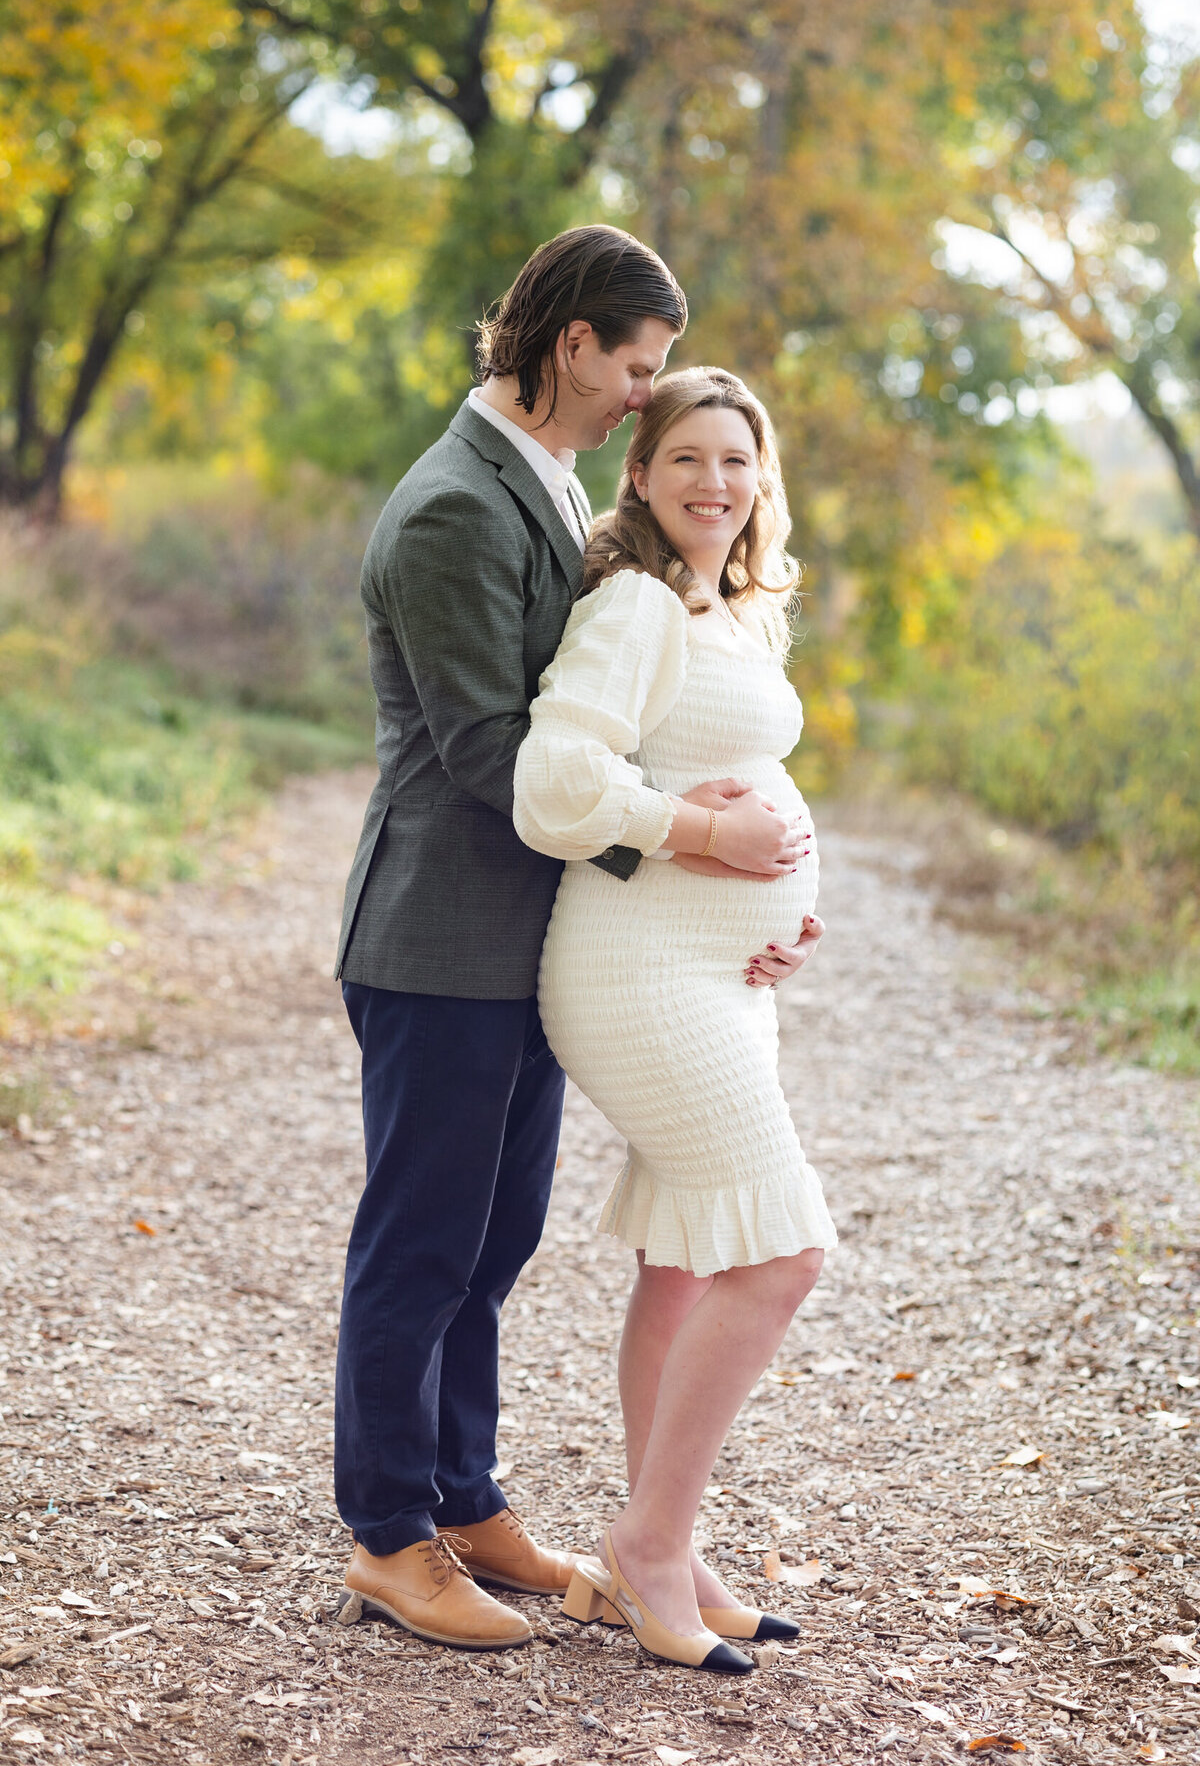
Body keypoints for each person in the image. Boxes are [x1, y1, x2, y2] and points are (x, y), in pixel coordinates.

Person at [331, 228, 808, 1652]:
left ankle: (465, 1496)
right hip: (441, 933)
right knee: (420, 1241)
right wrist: (695, 844)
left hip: (531, 938)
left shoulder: (533, 482)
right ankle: (388, 1535)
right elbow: (495, 753)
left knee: (495, 1239)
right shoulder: (451, 512)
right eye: (636, 371)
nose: (640, 403)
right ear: (570, 347)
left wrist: (759, 891)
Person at [513, 366, 837, 1675]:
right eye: (689, 457)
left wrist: (782, 901)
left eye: (739, 461)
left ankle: (678, 1549)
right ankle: (647, 1542)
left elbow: (750, 788)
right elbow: (556, 784)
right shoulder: (637, 604)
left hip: (722, 978)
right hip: (634, 974)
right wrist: (712, 836)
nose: (717, 481)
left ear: (764, 483)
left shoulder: (737, 609)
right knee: (784, 1254)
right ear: (639, 478)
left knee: (689, 1259)